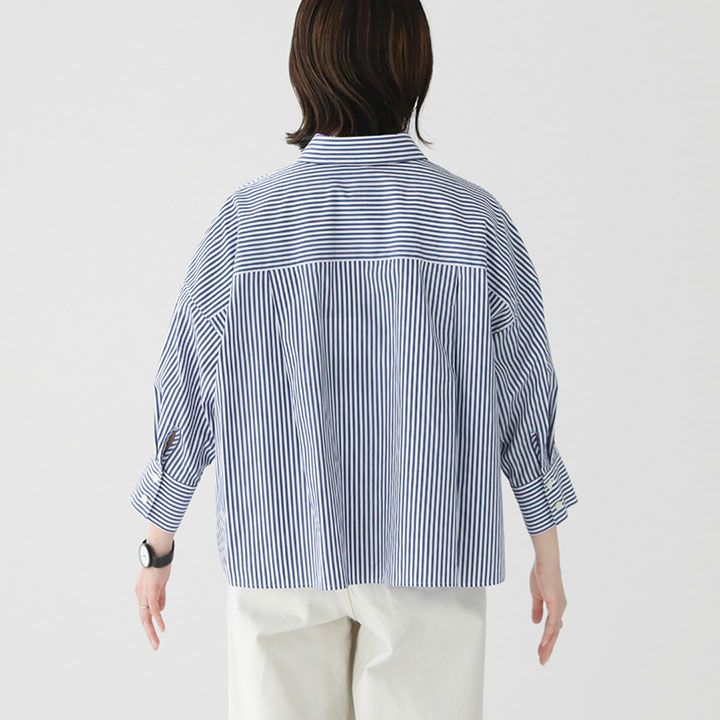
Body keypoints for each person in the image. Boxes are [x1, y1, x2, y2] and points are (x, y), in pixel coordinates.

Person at [131, 1, 579, 718]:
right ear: (413, 65)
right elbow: (525, 401)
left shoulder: (248, 222)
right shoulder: (476, 222)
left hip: (280, 549)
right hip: (432, 551)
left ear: (306, 67)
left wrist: (158, 547)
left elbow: (188, 389)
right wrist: (546, 550)